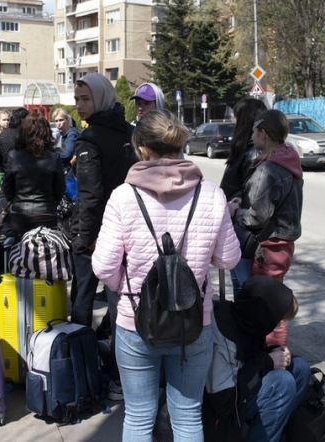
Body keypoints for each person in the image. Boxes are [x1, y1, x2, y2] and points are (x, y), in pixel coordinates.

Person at [92, 109, 241, 441]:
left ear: (142, 150)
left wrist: (127, 288)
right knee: (187, 417)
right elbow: (229, 259)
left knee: (139, 416)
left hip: (135, 324)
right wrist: (200, 262)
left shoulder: (123, 197)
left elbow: (103, 266)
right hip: (193, 324)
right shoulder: (212, 195)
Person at [70, 72, 136, 401]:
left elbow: (90, 195)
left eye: (85, 98)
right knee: (123, 304)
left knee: (82, 302)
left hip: (99, 234)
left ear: (101, 98)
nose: (79, 105)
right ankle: (122, 372)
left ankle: (83, 373)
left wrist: (83, 236)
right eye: (77, 98)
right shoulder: (128, 131)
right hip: (132, 231)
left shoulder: (90, 139)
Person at [227, 109, 303, 348]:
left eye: (255, 131)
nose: (251, 134)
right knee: (273, 298)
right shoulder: (288, 157)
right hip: (282, 243)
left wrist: (236, 211)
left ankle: (274, 356)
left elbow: (256, 218)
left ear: (264, 134)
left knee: (268, 305)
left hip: (267, 246)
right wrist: (244, 200)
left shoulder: (268, 169)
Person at [205, 275, 311, 442]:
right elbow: (223, 401)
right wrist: (267, 361)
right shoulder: (224, 334)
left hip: (241, 394)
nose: (277, 326)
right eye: (277, 320)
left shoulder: (249, 320)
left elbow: (249, 359)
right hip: (222, 415)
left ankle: (274, 432)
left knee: (300, 367)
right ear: (263, 314)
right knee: (282, 383)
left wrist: (272, 352)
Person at [219, 98, 267, 296]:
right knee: (239, 284)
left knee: (245, 288)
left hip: (245, 230)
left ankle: (246, 326)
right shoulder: (246, 150)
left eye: (236, 118)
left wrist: (236, 204)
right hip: (238, 227)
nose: (233, 123)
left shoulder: (253, 153)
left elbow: (254, 195)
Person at [1, 112, 65, 236]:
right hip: (46, 211)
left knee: (20, 250)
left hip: (20, 211)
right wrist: (52, 203)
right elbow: (60, 188)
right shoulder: (54, 157)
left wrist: (14, 200)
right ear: (46, 132)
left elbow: (7, 187)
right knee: (46, 250)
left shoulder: (14, 156)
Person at [0, 108, 29, 183]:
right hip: (13, 173)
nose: (6, 122)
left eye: (8, 120)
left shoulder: (9, 134)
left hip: (9, 173)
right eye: (4, 120)